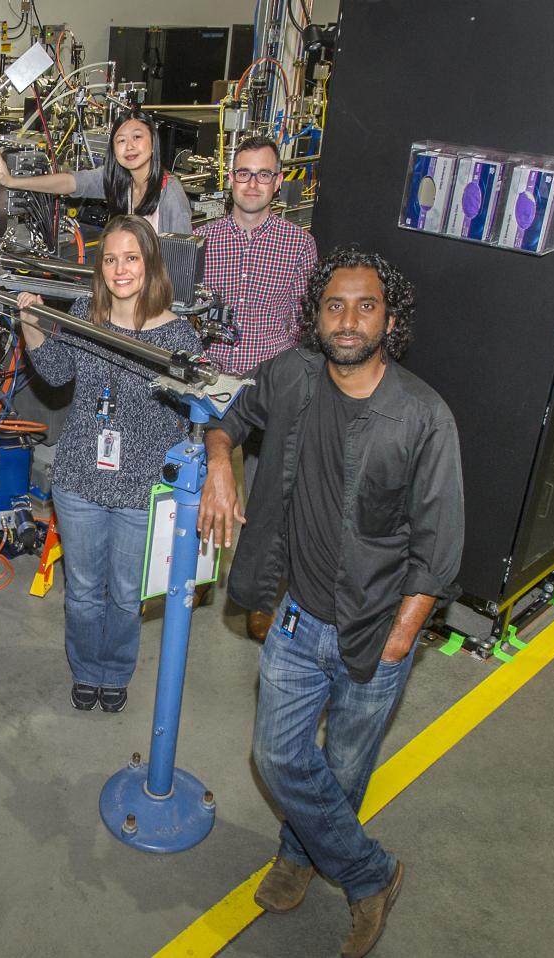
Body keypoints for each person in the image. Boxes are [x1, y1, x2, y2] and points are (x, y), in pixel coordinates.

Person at [197, 247, 464, 958]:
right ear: (315, 317)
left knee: (345, 768)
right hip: (298, 618)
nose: (348, 321)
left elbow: (439, 544)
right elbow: (226, 411)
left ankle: (298, 854)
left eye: (365, 306)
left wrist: (402, 635)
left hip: (378, 630)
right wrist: (220, 461)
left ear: (390, 318)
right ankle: (371, 874)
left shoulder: (423, 417)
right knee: (279, 757)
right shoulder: (289, 377)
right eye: (334, 306)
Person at [17, 214, 202, 713]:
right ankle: (85, 669)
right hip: (79, 480)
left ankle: (114, 672)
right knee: (81, 592)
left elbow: (192, 418)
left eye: (132, 258)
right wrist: (31, 326)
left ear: (150, 264)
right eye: (112, 259)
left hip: (141, 490)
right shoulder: (84, 314)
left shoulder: (181, 339)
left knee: (124, 595)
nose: (121, 269)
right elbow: (55, 373)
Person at [196, 133, 319, 641]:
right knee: (199, 486)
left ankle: (259, 597)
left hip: (270, 384)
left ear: (278, 182)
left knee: (273, 496)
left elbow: (305, 323)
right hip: (210, 379)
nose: (253, 183)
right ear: (230, 180)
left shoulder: (299, 244)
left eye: (264, 174)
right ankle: (196, 575)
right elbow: (186, 314)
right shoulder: (205, 240)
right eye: (244, 173)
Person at [0, 110, 193, 234]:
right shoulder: (118, 180)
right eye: (121, 140)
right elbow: (71, 183)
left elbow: (182, 264)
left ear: (153, 142)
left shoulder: (170, 193)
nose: (129, 146)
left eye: (137, 137)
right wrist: (12, 182)